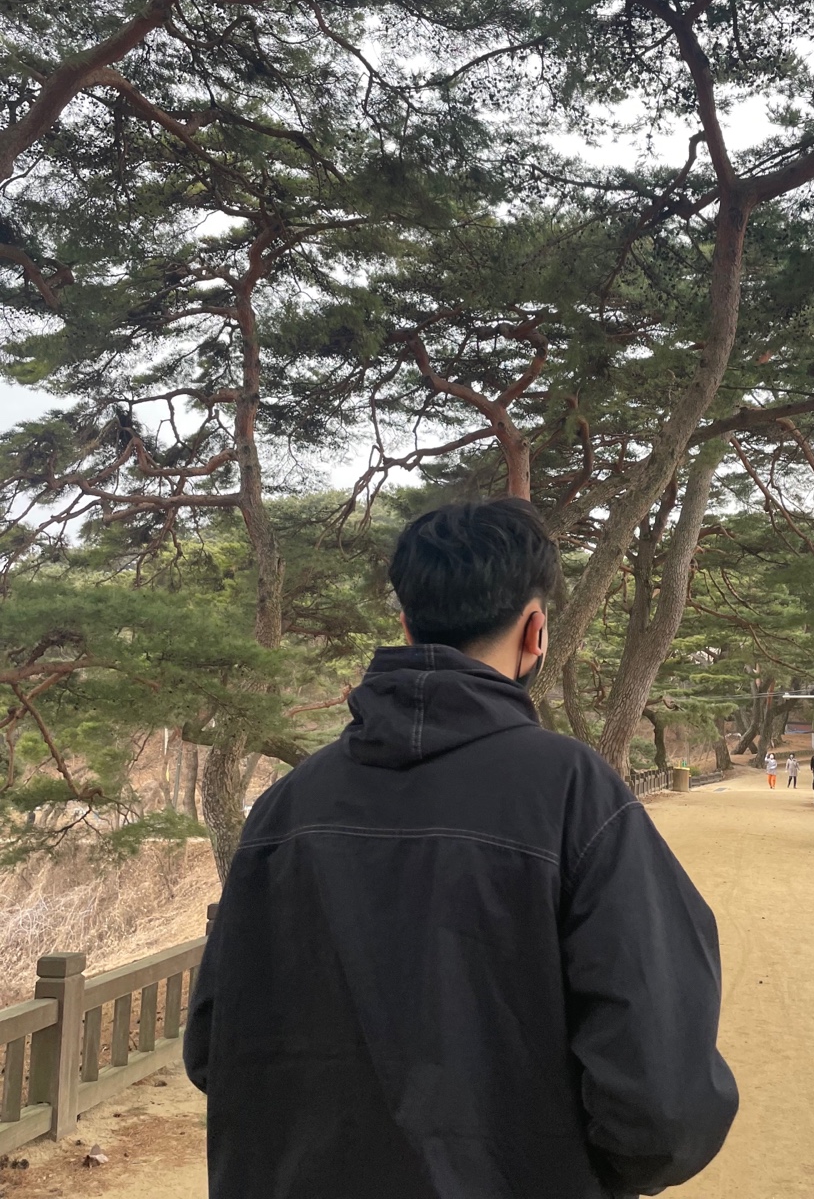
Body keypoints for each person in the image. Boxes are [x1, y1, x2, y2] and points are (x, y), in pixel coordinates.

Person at [184, 498, 739, 1199]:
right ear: (536, 631)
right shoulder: (573, 794)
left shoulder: (286, 804)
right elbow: (661, 1102)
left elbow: (214, 1047)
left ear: (406, 625)